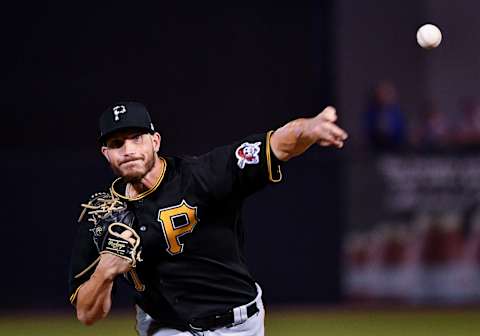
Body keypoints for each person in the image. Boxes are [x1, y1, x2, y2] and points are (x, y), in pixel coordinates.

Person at [68, 101, 348, 335]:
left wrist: (308, 129)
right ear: (106, 153)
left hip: (236, 324)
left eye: (136, 138)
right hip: (166, 326)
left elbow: (275, 145)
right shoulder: (100, 215)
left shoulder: (202, 176)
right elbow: (87, 313)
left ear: (155, 141)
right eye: (117, 143)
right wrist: (106, 271)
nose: (128, 150)